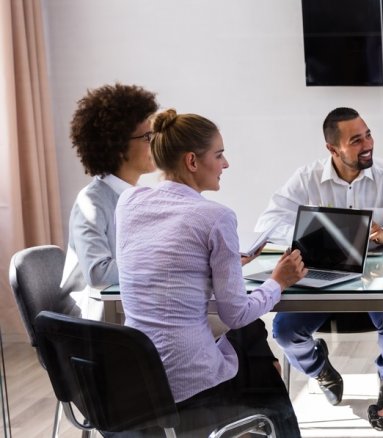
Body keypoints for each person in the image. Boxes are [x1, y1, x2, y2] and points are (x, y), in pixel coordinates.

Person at [115, 109, 305, 436]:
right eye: (218, 155)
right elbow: (236, 314)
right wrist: (279, 281)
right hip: (189, 384)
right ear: (192, 161)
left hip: (140, 379)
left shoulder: (130, 201)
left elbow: (166, 263)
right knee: (261, 366)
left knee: (250, 347)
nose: (225, 164)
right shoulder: (215, 217)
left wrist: (224, 264)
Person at [254, 107, 383, 416]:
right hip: (323, 277)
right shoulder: (307, 178)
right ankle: (319, 369)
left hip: (376, 279)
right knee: (284, 331)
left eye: (368, 134)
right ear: (333, 149)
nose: (367, 144)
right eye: (356, 140)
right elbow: (267, 225)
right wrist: (324, 233)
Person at [63, 83, 158, 319]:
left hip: (130, 309)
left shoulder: (140, 196)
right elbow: (98, 273)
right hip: (98, 323)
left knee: (237, 330)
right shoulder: (91, 202)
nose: (156, 142)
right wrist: (164, 263)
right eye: (148, 136)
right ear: (118, 146)